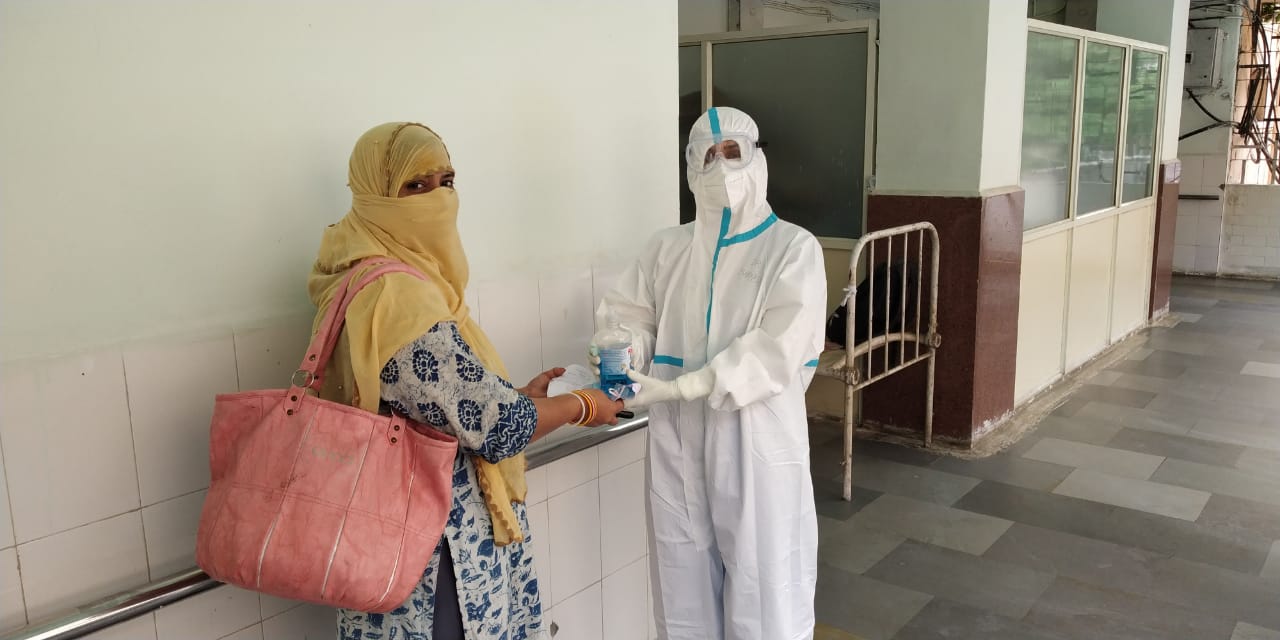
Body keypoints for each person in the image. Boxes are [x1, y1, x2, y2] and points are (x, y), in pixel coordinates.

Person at [309, 122, 625, 640]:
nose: (437, 198)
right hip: (434, 557)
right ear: (375, 194)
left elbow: (445, 409)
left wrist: (513, 398)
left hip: (391, 540)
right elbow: (497, 429)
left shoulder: (360, 274)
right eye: (415, 185)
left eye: (446, 181)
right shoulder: (396, 296)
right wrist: (583, 406)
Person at [597, 107, 828, 639]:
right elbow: (631, 316)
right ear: (689, 169)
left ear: (758, 158)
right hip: (676, 438)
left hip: (756, 439)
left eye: (733, 152)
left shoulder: (793, 249)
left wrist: (684, 384)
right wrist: (620, 347)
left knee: (763, 588)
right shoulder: (666, 248)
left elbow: (779, 347)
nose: (721, 167)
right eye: (707, 154)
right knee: (682, 583)